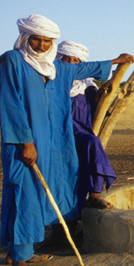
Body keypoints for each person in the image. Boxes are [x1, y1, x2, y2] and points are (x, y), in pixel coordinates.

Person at [0, 14, 134, 266]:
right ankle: (20, 261)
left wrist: (117, 61)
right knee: (23, 193)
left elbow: (86, 67)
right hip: (23, 144)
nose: (41, 45)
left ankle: (22, 251)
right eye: (36, 39)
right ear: (25, 37)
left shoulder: (56, 69)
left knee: (45, 192)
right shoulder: (12, 61)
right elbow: (10, 105)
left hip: (52, 144)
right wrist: (25, 142)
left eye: (47, 41)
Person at [56, 40, 117, 211]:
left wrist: (99, 95)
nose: (70, 64)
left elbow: (93, 107)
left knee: (93, 142)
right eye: (66, 59)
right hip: (58, 132)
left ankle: (94, 193)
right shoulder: (52, 82)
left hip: (79, 131)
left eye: (75, 61)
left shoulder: (86, 85)